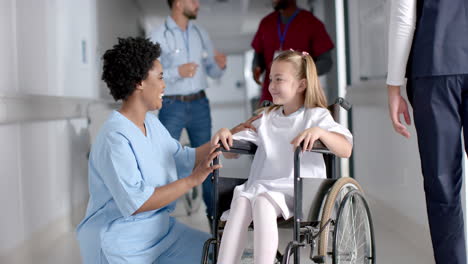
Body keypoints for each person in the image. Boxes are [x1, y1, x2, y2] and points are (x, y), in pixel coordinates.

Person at [76, 37, 223, 263]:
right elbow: (138, 203)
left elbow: (184, 157)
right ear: (139, 82)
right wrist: (192, 181)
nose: (165, 85)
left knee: (218, 254)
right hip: (121, 242)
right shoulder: (115, 137)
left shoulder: (152, 123)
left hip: (161, 232)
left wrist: (224, 140)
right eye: (161, 78)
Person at [212, 50, 353, 264]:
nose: (271, 86)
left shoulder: (316, 116)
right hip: (261, 186)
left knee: (262, 201)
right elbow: (231, 153)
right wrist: (226, 132)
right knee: (240, 200)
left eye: (279, 79)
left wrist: (321, 133)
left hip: (296, 190)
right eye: (270, 79)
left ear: (301, 85)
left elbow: (345, 149)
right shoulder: (266, 117)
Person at [386, 0, 468, 263]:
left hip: (435, 66)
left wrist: (394, 87)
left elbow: (403, 17)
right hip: (434, 67)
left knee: (441, 181)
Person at [150, 0, 227, 223]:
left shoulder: (200, 33)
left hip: (200, 104)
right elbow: (150, 73)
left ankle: (215, 221)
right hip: (172, 105)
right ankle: (157, 218)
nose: (198, 4)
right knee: (163, 160)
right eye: (193, 0)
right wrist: (176, 71)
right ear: (178, 3)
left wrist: (220, 66)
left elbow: (212, 71)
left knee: (209, 158)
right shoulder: (158, 35)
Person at [252, 0, 334, 104]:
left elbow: (326, 62)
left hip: (302, 99)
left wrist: (301, 71)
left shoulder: (312, 23)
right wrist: (256, 68)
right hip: (271, 99)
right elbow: (258, 56)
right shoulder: (266, 23)